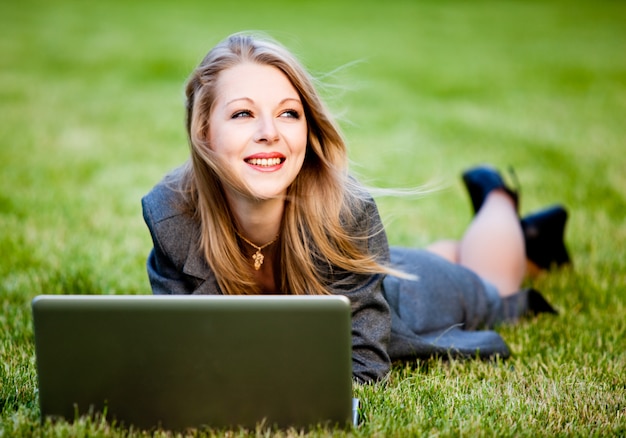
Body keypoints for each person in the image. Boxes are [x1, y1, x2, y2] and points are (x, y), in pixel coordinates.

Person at [141, 32, 570, 384]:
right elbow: (189, 358)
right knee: (417, 260)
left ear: (307, 130)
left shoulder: (346, 212)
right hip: (374, 269)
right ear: (203, 131)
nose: (269, 132)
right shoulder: (172, 220)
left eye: (288, 114)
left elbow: (365, 368)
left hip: (405, 300)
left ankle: (498, 200)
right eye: (242, 115)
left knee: (492, 284)